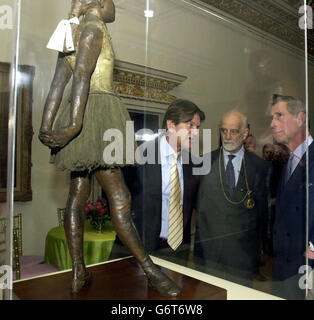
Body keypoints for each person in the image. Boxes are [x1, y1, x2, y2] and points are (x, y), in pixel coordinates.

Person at [38, 0, 181, 297]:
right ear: (101, 3)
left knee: (77, 195)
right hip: (95, 117)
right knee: (120, 198)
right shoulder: (93, 27)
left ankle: (78, 271)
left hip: (79, 117)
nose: (115, 8)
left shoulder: (71, 31)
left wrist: (46, 126)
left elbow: (56, 85)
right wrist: (75, 125)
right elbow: (80, 76)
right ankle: (151, 271)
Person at [111, 99, 205, 262]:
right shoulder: (137, 157)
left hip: (177, 252)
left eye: (197, 127)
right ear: (171, 125)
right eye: (190, 125)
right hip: (138, 251)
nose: (196, 132)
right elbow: (116, 201)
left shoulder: (194, 164)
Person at [195, 110, 268, 286]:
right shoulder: (204, 162)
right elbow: (198, 207)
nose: (227, 136)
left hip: (243, 252)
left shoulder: (259, 166)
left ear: (244, 134)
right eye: (223, 130)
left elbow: (261, 213)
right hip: (210, 252)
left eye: (233, 131)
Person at [270, 94, 314, 299]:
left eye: (279, 116)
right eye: (272, 117)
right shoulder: (290, 161)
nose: (272, 123)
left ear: (301, 119)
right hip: (283, 267)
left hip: (306, 267)